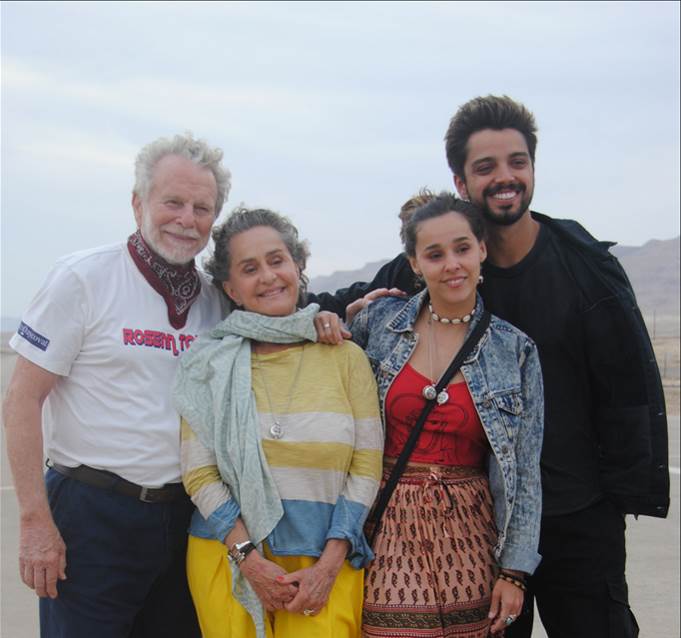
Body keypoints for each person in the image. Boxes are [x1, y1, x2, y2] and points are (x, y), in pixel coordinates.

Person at [327, 95, 670, 637]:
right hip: (481, 528)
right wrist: (329, 317)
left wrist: (624, 491)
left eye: (517, 162)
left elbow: (627, 384)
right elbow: (337, 307)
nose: (504, 177)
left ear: (532, 168)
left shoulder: (585, 266)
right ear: (461, 181)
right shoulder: (433, 261)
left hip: (579, 516)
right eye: (485, 166)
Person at [2, 133, 231, 637]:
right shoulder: (82, 278)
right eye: (173, 202)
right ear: (138, 202)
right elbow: (21, 400)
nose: (186, 219)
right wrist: (34, 521)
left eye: (202, 208)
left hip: (187, 517)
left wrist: (332, 317)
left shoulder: (216, 301)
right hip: (92, 514)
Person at [172, 207, 384, 638]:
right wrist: (248, 560)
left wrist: (330, 563)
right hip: (229, 556)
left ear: (298, 265)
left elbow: (366, 468)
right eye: (250, 268)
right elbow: (199, 473)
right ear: (231, 287)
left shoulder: (345, 357)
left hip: (326, 559)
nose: (268, 277)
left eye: (276, 260)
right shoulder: (208, 364)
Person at [350, 193, 544, 637]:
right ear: (415, 263)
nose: (452, 264)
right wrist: (323, 320)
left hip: (472, 534)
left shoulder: (514, 350)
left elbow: (524, 471)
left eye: (462, 248)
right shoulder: (377, 324)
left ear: (482, 250)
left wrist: (514, 571)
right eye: (434, 254)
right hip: (386, 525)